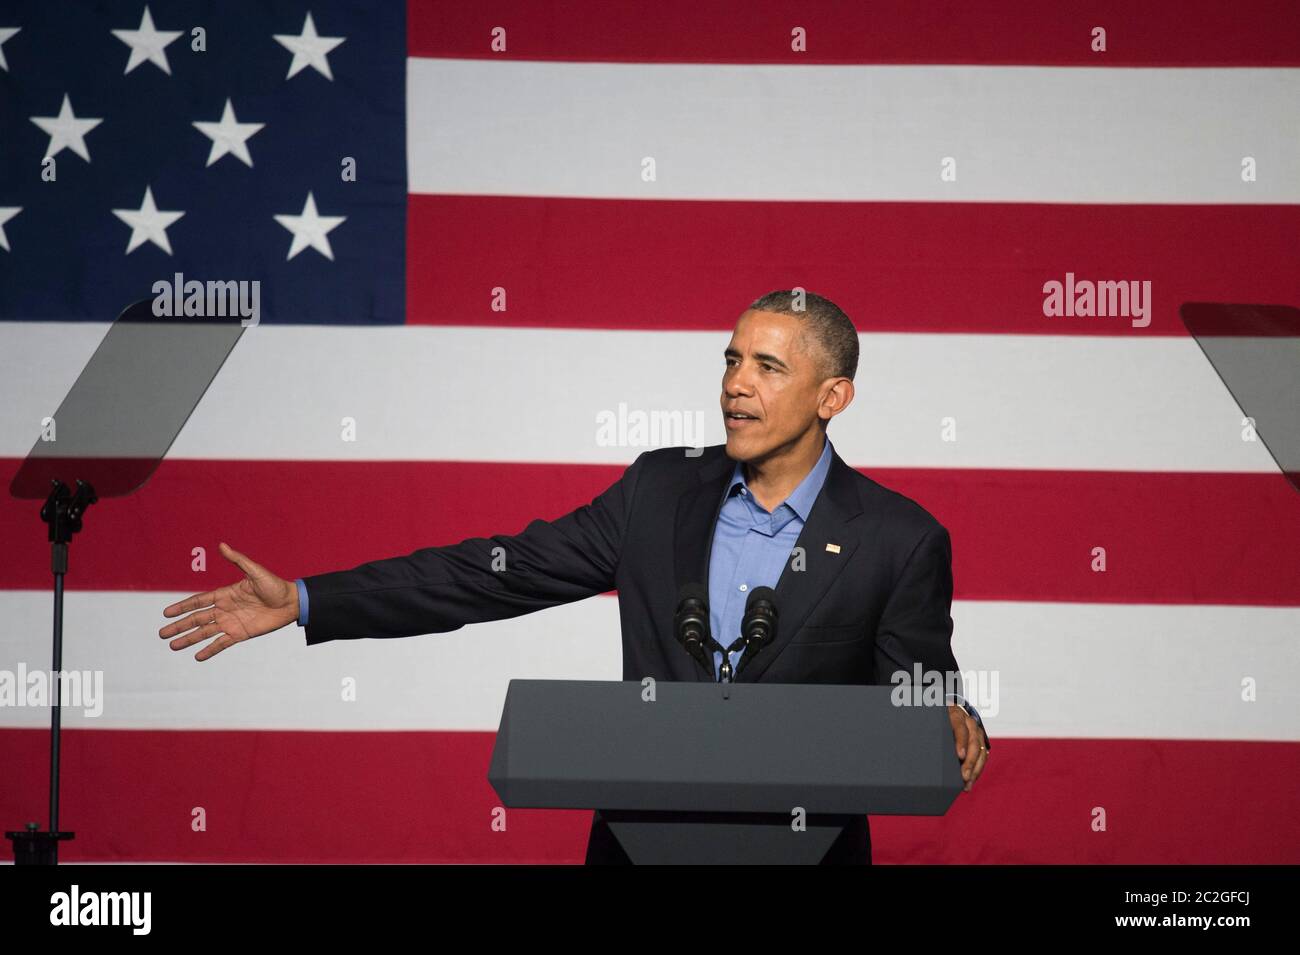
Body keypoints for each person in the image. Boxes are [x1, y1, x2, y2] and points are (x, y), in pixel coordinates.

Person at [159, 289, 990, 864]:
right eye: (731, 360)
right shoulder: (659, 491)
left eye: (768, 368)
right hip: (642, 843)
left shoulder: (897, 536)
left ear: (832, 395)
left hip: (811, 852)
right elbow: (495, 573)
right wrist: (310, 599)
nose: (736, 384)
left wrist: (951, 713)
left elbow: (918, 679)